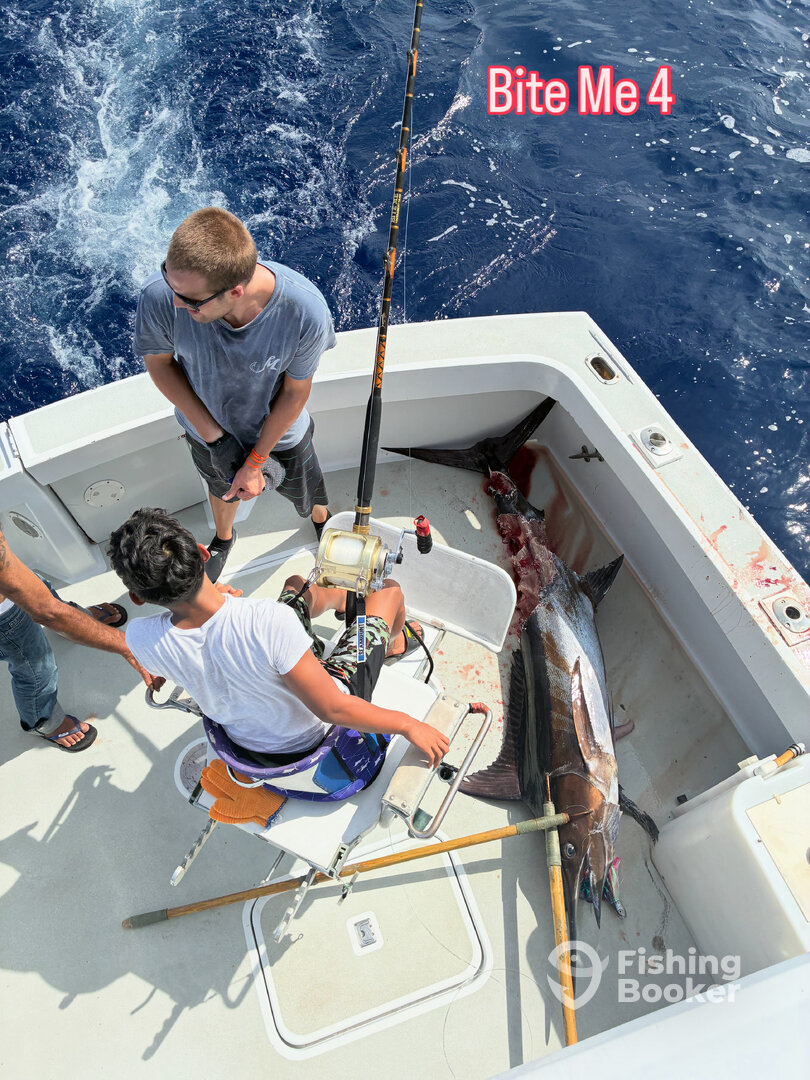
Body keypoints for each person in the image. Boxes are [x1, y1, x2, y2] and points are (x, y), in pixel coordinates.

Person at [108, 508, 449, 768]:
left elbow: (194, 645)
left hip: (249, 742)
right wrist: (407, 725)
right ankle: (392, 644)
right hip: (316, 729)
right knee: (388, 592)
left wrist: (218, 605)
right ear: (202, 553)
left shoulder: (139, 638)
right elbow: (333, 708)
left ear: (138, 597)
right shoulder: (267, 620)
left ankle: (345, 602)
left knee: (297, 583)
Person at [134, 207, 335, 583]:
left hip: (280, 432)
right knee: (219, 488)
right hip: (205, 430)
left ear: (235, 291)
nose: (176, 303)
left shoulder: (306, 312)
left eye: (191, 301)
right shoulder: (163, 295)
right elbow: (161, 365)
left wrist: (255, 461)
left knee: (308, 487)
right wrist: (217, 439)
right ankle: (224, 539)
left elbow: (295, 393)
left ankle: (321, 520)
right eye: (169, 282)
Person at [0, 526, 160, 752]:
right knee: (35, 668)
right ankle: (44, 723)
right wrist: (127, 646)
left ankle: (77, 621)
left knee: (43, 590)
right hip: (4, 617)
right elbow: (47, 611)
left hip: (10, 574)